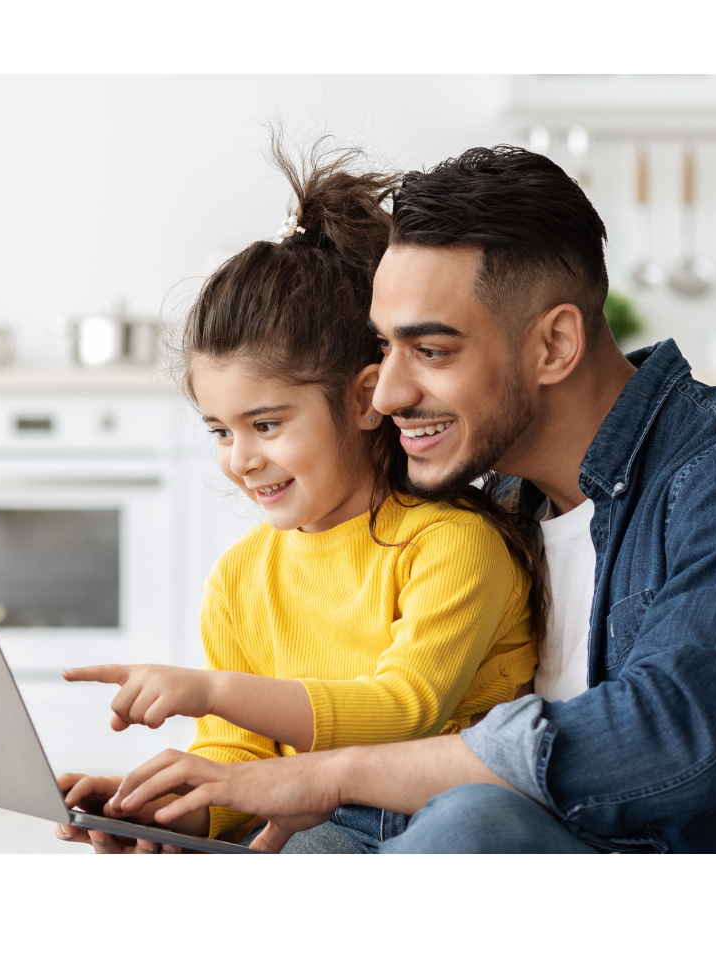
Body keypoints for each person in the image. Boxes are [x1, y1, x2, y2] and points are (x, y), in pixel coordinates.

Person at [104, 145, 716, 854]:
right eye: (384, 347)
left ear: (554, 344)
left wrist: (332, 774)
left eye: (432, 349)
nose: (385, 392)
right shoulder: (499, 504)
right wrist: (188, 810)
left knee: (466, 823)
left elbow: (664, 742)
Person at [54, 141, 541, 854]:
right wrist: (170, 811)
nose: (241, 460)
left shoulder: (452, 545)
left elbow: (404, 712)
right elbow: (238, 755)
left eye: (268, 425)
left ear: (365, 399)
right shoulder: (241, 577)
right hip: (302, 822)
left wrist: (212, 690)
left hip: (434, 821)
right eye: (220, 430)